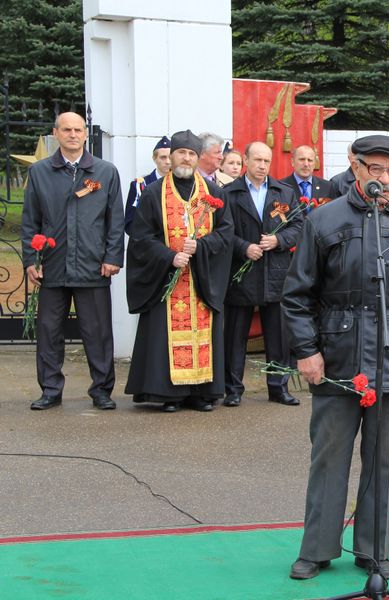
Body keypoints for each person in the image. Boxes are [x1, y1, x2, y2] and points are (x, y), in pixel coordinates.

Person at [283, 135, 389, 581]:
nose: (387, 179)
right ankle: (316, 548)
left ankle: (374, 550)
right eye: (377, 169)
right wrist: (307, 351)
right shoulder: (325, 219)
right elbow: (297, 294)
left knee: (382, 458)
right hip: (337, 358)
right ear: (357, 168)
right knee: (329, 455)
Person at [125, 130, 234, 413]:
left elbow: (226, 232)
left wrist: (201, 246)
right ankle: (169, 394)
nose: (186, 158)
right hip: (167, 281)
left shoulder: (214, 193)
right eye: (181, 153)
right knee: (165, 335)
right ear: (170, 156)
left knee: (203, 335)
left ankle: (200, 393)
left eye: (191, 154)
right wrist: (169, 257)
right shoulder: (152, 193)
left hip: (201, 279)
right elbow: (140, 237)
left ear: (198, 158)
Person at [22, 112, 124, 411]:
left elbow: (114, 220)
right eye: (66, 129)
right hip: (52, 265)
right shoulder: (40, 172)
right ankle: (51, 390)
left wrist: (112, 256)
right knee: (49, 332)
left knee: (98, 333)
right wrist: (31, 258)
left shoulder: (105, 172)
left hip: (93, 265)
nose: (73, 134)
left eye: (78, 130)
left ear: (85, 134)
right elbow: (31, 221)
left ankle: (102, 390)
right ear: (56, 132)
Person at [222, 142, 302, 408]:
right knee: (236, 335)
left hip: (276, 271)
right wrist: (244, 247)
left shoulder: (284, 192)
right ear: (245, 160)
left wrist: (278, 240)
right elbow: (221, 232)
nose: (262, 166)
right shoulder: (229, 193)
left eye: (267, 161)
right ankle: (233, 388)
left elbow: (299, 226)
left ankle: (278, 387)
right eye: (257, 160)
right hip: (241, 273)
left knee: (278, 335)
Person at [124, 136, 171, 235]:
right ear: (154, 159)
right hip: (148, 245)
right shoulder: (140, 186)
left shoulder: (180, 184)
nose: (167, 161)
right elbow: (130, 223)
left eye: (170, 157)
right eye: (163, 157)